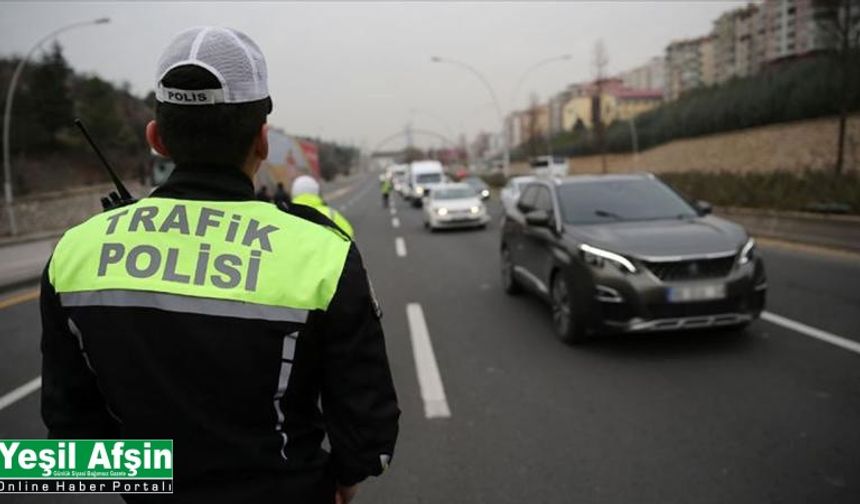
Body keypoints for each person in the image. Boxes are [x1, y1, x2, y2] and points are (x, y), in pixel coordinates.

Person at [40, 26, 398, 504]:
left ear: (156, 138)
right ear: (262, 140)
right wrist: (339, 480)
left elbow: (70, 438)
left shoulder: (74, 253)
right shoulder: (323, 254)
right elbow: (368, 434)